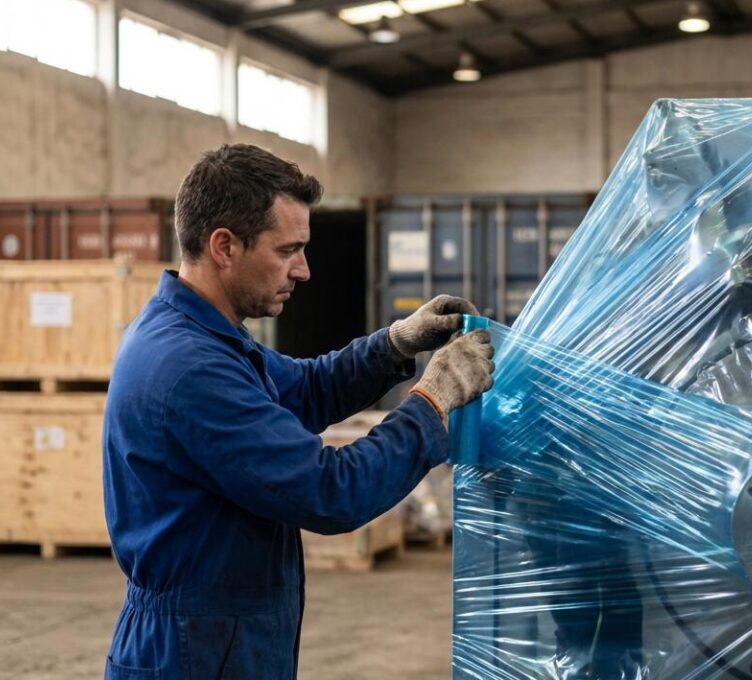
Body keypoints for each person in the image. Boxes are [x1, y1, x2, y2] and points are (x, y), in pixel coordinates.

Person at [101, 143, 493, 679]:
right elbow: (329, 491)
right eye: (288, 250)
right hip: (194, 651)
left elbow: (305, 389)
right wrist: (432, 403)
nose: (303, 270)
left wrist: (395, 344)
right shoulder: (190, 367)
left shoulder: (206, 336)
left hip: (216, 638)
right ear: (224, 246)